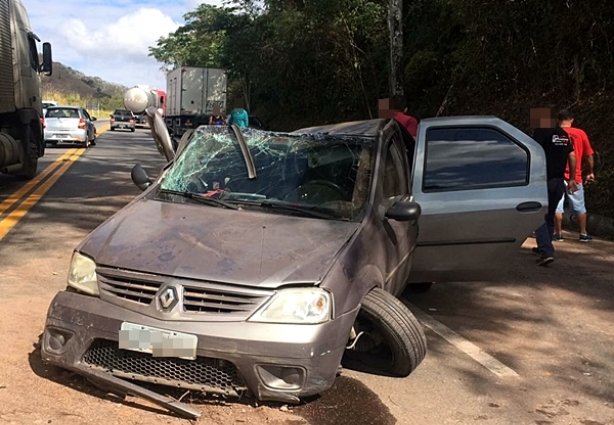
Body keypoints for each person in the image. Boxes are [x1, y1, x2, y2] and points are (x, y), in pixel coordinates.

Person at [530, 107, 577, 266]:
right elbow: (572, 156)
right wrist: (571, 178)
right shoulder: (563, 135)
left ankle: (546, 251)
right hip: (559, 181)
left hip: (543, 180)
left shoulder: (541, 132)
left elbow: (532, 153)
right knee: (549, 215)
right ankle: (545, 245)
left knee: (539, 215)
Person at [553, 109, 596, 242]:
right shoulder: (580, 133)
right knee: (579, 206)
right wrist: (590, 171)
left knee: (556, 205)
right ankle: (583, 233)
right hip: (575, 177)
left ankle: (558, 233)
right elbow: (589, 155)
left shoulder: (553, 134)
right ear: (571, 119)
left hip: (556, 176)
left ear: (557, 120)